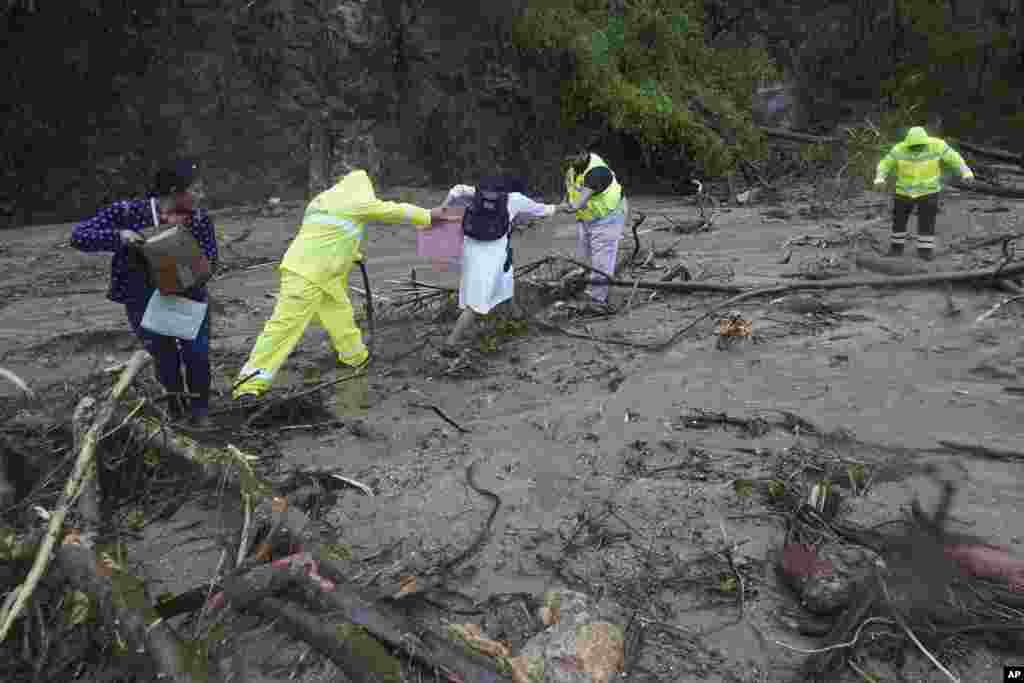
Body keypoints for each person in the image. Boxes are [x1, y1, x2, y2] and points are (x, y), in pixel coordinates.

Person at [233, 169, 443, 399]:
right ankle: (249, 384)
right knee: (283, 328)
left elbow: (329, 234)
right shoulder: (355, 200)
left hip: (320, 273)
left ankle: (356, 358)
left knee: (340, 316)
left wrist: (352, 254)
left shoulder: (321, 201)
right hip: (307, 275)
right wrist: (429, 215)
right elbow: (392, 210)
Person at [71, 159, 218, 425]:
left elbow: (211, 260)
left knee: (197, 354)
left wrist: (185, 268)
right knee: (164, 356)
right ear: (174, 191)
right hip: (143, 299)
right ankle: (175, 407)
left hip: (187, 296)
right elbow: (79, 236)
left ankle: (200, 410)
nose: (202, 196)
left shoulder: (199, 219)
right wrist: (120, 237)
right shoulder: (128, 212)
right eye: (195, 190)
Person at [439, 177, 558, 356]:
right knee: (478, 301)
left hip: (472, 249)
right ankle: (451, 342)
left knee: (505, 276)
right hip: (492, 253)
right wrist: (566, 207)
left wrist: (443, 206)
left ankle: (515, 315)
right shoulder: (516, 199)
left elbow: (456, 190)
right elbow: (544, 210)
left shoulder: (475, 194)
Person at [874, 126, 974, 260]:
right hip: (904, 191)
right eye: (913, 146)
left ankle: (925, 251)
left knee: (927, 221)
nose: (916, 148)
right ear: (907, 142)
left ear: (926, 141)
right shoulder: (899, 149)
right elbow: (885, 164)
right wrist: (880, 178)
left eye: (919, 145)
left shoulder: (937, 145)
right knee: (899, 221)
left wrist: (966, 172)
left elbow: (954, 158)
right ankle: (896, 249)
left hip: (929, 191)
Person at [559, 151, 628, 311]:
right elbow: (570, 193)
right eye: (567, 159)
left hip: (608, 216)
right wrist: (562, 203)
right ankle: (583, 287)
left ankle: (597, 299)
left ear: (583, 154)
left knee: (602, 259)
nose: (569, 162)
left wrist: (551, 209)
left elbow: (576, 204)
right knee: (583, 257)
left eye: (573, 158)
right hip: (588, 218)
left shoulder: (597, 172)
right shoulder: (573, 168)